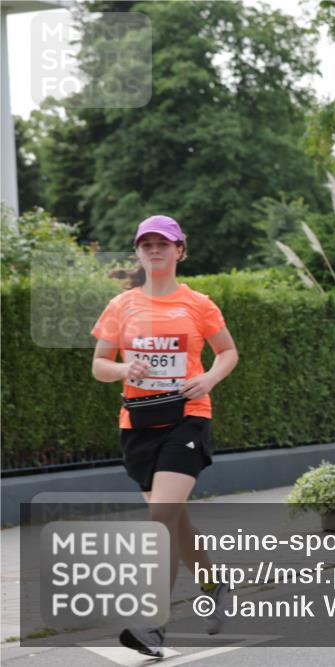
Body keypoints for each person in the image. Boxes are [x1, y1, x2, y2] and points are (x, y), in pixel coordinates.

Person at [91, 215, 239, 657]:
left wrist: (209, 379)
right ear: (138, 251)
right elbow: (100, 366)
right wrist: (124, 368)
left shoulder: (198, 303)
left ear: (179, 250)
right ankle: (214, 585)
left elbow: (228, 352)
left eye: (164, 243)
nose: (155, 250)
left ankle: (152, 624)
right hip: (138, 425)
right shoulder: (122, 306)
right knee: (174, 520)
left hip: (187, 418)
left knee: (160, 520)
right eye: (147, 244)